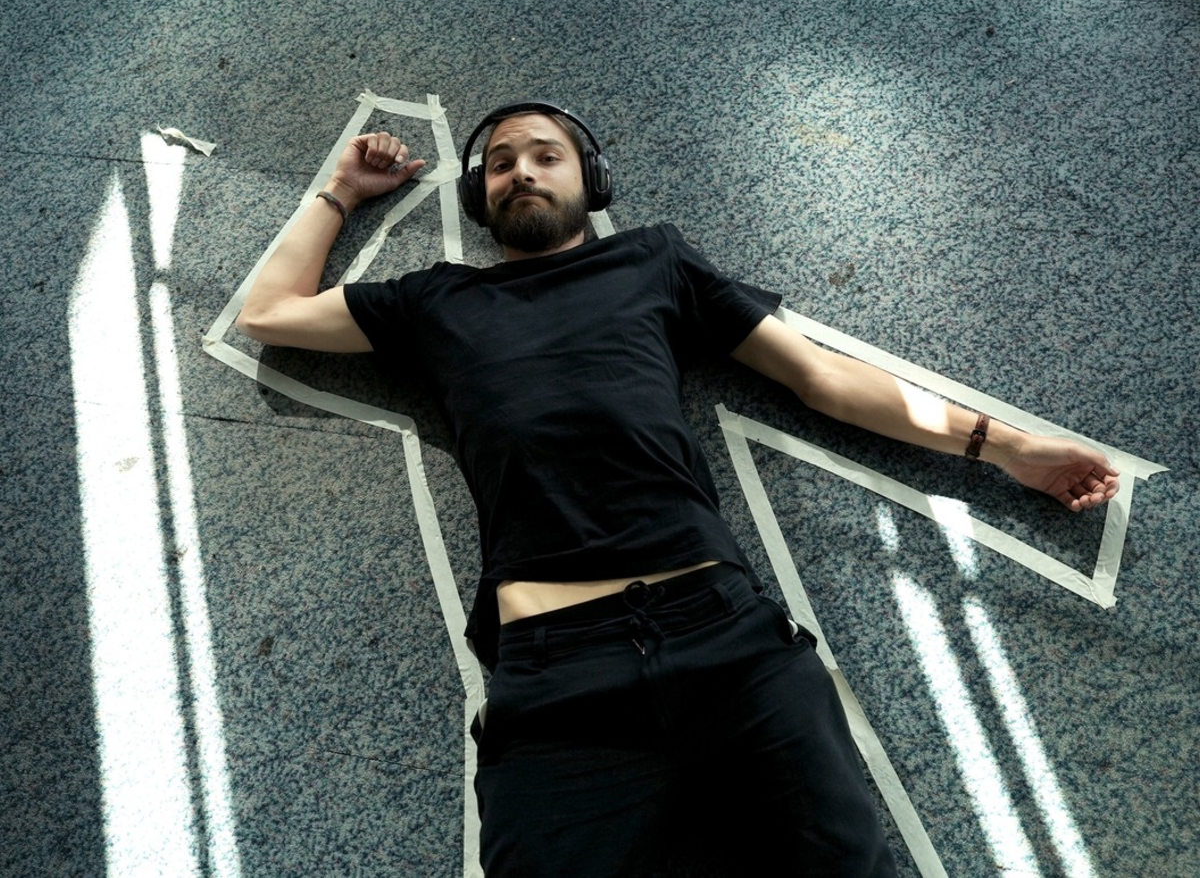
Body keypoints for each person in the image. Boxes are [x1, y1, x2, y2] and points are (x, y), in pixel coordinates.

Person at [236, 102, 1120, 877]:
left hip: (727, 644)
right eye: (500, 164)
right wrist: (343, 191)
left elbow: (821, 377)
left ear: (592, 180)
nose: (522, 172)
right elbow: (267, 314)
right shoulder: (436, 301)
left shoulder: (652, 261)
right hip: (554, 679)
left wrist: (1006, 447)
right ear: (479, 196)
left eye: (545, 155)